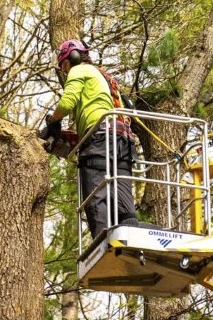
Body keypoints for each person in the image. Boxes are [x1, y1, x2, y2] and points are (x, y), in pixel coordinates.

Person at [46, 39, 144, 239]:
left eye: (64, 65)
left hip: (99, 138)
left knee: (95, 197)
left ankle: (102, 244)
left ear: (72, 58)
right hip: (121, 139)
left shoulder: (80, 70)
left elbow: (67, 102)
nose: (65, 71)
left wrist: (52, 122)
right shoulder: (104, 78)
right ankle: (131, 238)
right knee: (123, 199)